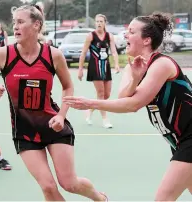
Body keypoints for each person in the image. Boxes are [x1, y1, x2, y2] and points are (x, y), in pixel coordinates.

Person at [63, 12, 192, 201]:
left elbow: (133, 105)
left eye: (131, 32)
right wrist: (136, 79)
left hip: (189, 139)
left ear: (146, 40)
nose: (125, 35)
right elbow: (124, 96)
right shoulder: (133, 67)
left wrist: (90, 103)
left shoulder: (162, 64)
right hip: (178, 141)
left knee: (163, 198)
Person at [0, 4, 107, 201]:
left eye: (20, 22)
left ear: (36, 25)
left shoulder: (53, 55)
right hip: (24, 132)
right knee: (48, 187)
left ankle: (100, 198)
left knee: (69, 184)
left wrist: (62, 115)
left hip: (54, 126)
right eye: (14, 23)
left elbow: (68, 87)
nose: (15, 27)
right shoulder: (2, 55)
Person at [78, 14, 120, 128]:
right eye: (97, 21)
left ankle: (90, 111)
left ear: (105, 23)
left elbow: (114, 51)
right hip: (95, 68)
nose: (99, 23)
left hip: (105, 67)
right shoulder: (91, 36)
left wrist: (116, 64)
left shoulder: (109, 36)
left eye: (101, 21)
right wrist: (80, 69)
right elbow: (83, 53)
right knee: (100, 94)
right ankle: (105, 119)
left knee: (106, 95)